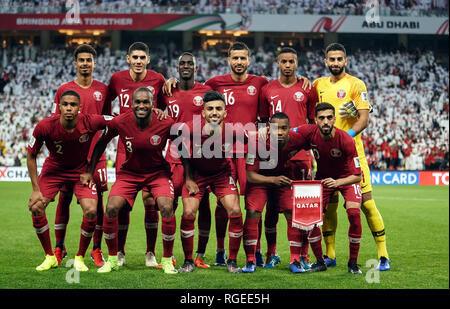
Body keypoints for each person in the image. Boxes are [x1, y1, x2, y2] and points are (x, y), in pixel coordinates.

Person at [81, 87, 177, 274]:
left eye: (146, 102)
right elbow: (101, 143)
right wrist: (89, 171)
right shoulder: (121, 121)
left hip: (157, 173)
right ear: (131, 104)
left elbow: (183, 145)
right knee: (111, 207)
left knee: (166, 207)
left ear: (153, 104)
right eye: (138, 102)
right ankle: (113, 259)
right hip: (130, 174)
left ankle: (166, 260)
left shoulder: (165, 122)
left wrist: (187, 176)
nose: (141, 105)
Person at [313, 43, 390, 271]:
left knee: (366, 204)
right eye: (331, 59)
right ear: (325, 61)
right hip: (326, 159)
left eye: (339, 59)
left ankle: (383, 255)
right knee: (329, 207)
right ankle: (330, 254)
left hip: (352, 156)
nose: (335, 63)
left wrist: (343, 137)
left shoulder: (356, 84)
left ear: (345, 60)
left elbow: (363, 119)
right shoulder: (317, 85)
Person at [27, 90, 110, 272]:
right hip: (54, 170)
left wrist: (151, 111)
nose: (69, 108)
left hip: (81, 171)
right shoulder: (44, 126)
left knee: (91, 210)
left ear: (80, 108)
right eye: (65, 104)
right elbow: (31, 154)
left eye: (73, 105)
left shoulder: (90, 121)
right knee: (36, 206)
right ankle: (50, 256)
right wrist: (35, 189)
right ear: (59, 107)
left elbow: (116, 120)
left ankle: (79, 257)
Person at [108, 42, 170, 268]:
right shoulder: (116, 79)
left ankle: (150, 253)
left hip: (149, 141)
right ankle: (120, 251)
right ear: (127, 59)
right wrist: (113, 119)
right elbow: (107, 106)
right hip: (126, 144)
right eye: (134, 57)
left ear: (148, 59)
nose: (138, 61)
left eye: (142, 57)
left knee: (150, 200)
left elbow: (165, 107)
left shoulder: (158, 79)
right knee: (121, 203)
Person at [51, 44, 111, 267]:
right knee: (64, 198)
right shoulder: (63, 90)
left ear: (95, 63)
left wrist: (102, 145)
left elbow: (108, 121)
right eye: (81, 60)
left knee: (99, 203)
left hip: (96, 156)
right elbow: (54, 124)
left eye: (89, 60)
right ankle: (59, 247)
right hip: (69, 157)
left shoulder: (104, 90)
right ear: (75, 63)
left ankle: (96, 249)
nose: (85, 63)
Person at [243, 112, 326, 274]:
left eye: (283, 128)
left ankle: (295, 260)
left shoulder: (298, 139)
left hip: (284, 179)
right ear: (268, 128)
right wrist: (273, 180)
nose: (279, 132)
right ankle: (250, 260)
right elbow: (250, 176)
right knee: (253, 212)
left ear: (290, 129)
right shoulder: (256, 142)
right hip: (261, 181)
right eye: (275, 128)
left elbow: (317, 135)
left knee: (292, 212)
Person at [258, 47, 317, 269]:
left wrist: (310, 151)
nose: (288, 65)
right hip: (273, 156)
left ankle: (304, 255)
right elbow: (263, 121)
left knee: (302, 208)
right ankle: (271, 253)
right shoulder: (267, 89)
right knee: (272, 207)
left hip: (300, 157)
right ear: (278, 63)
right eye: (284, 61)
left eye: (292, 61)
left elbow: (312, 123)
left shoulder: (307, 89)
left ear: (297, 63)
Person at [176, 91, 245, 274]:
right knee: (189, 211)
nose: (214, 112)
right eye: (210, 109)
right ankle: (188, 260)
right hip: (197, 174)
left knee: (235, 211)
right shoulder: (191, 128)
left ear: (225, 113)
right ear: (203, 113)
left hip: (221, 174)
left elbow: (253, 138)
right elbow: (178, 142)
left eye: (218, 109)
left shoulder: (234, 131)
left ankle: (232, 261)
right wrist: (189, 177)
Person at [292, 102, 364, 274]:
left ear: (334, 119)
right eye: (322, 118)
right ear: (315, 119)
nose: (326, 121)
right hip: (323, 179)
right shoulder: (309, 131)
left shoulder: (345, 139)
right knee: (310, 219)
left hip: (346, 179)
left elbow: (358, 176)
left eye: (329, 118)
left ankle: (353, 263)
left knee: (354, 213)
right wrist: (268, 130)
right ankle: (319, 262)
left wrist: (338, 183)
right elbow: (290, 130)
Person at [159, 52, 213, 268]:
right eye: (182, 63)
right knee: (169, 204)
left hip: (201, 157)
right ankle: (168, 256)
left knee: (203, 205)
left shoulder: (206, 91)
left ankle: (199, 254)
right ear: (177, 67)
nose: (186, 66)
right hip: (174, 157)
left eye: (190, 63)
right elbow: (155, 113)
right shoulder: (167, 91)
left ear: (196, 68)